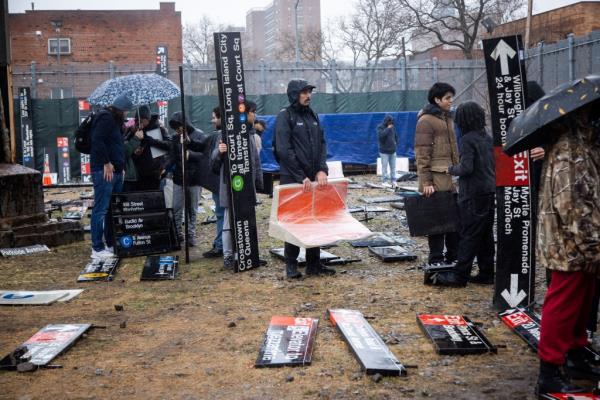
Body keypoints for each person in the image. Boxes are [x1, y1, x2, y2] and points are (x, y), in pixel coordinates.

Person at [535, 103, 600, 395]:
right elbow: (573, 205)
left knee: (580, 300)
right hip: (571, 243)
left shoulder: (579, 145)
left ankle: (575, 350)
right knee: (564, 302)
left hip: (577, 241)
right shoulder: (571, 151)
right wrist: (591, 242)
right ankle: (550, 368)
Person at [274, 79, 334, 279]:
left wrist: (322, 170)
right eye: (304, 92)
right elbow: (283, 149)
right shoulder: (285, 116)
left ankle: (313, 264)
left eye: (310, 92)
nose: (308, 95)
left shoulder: (313, 116)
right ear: (294, 94)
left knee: (314, 219)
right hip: (292, 178)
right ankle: (291, 266)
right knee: (294, 220)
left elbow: (321, 144)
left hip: (314, 179)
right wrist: (301, 176)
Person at [431, 102, 495, 287]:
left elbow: (466, 168)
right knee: (485, 236)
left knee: (468, 235)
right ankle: (487, 272)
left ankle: (460, 276)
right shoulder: (487, 137)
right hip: (489, 192)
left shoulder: (467, 139)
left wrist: (450, 169)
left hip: (473, 194)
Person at [210, 100, 263, 270]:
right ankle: (228, 256)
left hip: (247, 187)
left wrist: (258, 183)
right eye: (252, 112)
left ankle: (249, 254)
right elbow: (213, 163)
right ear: (246, 114)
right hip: (230, 186)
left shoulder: (250, 134)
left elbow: (255, 161)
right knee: (228, 221)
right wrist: (220, 151)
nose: (255, 115)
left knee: (249, 220)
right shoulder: (224, 134)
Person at [414, 82, 459, 267]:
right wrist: (426, 181)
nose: (451, 101)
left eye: (451, 97)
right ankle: (436, 258)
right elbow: (421, 152)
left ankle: (453, 257)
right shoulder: (426, 121)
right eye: (447, 98)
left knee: (453, 220)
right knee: (437, 221)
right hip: (436, 178)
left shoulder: (447, 118)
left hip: (450, 176)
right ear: (437, 99)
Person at [89, 93, 133, 259]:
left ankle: (109, 243)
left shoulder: (115, 121)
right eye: (126, 111)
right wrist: (106, 163)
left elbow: (116, 144)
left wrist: (120, 167)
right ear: (119, 109)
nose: (127, 114)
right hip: (104, 170)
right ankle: (97, 248)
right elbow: (97, 141)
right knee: (101, 209)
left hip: (116, 170)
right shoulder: (105, 118)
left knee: (110, 209)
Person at [168, 111, 209, 247]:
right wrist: (165, 168)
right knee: (177, 207)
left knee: (192, 208)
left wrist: (190, 155)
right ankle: (178, 234)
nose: (178, 130)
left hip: (195, 178)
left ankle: (191, 234)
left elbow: (204, 155)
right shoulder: (175, 138)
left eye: (179, 126)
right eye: (175, 128)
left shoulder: (199, 135)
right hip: (179, 178)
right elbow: (172, 157)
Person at [202, 107, 225, 259]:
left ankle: (220, 245)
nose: (212, 120)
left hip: (220, 183)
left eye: (214, 117)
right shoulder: (217, 135)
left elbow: (215, 160)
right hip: (219, 183)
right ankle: (221, 243)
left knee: (221, 214)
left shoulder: (221, 135)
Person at [130, 105, 171, 191]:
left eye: (141, 121)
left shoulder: (159, 129)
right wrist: (136, 152)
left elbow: (169, 145)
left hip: (156, 172)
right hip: (139, 172)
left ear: (147, 119)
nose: (140, 124)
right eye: (138, 121)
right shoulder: (136, 129)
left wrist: (152, 141)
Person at [377, 114, 398, 188]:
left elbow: (395, 136)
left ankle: (393, 181)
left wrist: (396, 144)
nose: (391, 124)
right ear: (386, 121)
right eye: (389, 122)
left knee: (393, 167)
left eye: (391, 122)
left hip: (393, 151)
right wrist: (388, 129)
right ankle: (384, 181)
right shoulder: (380, 127)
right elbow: (381, 136)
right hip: (384, 152)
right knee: (384, 167)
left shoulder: (392, 127)